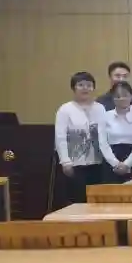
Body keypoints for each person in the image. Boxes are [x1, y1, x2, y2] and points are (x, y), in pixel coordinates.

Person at [55, 72, 105, 204]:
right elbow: (60, 137)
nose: (85, 88)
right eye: (81, 85)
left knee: (96, 200)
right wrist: (65, 161)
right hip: (75, 164)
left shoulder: (100, 108)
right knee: (78, 200)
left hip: (98, 162)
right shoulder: (65, 109)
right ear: (74, 88)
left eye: (89, 85)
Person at [97, 82, 132, 184]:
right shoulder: (105, 116)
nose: (121, 99)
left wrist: (127, 164)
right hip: (111, 161)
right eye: (117, 96)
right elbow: (103, 143)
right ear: (112, 98)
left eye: (125, 95)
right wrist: (115, 163)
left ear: (131, 96)